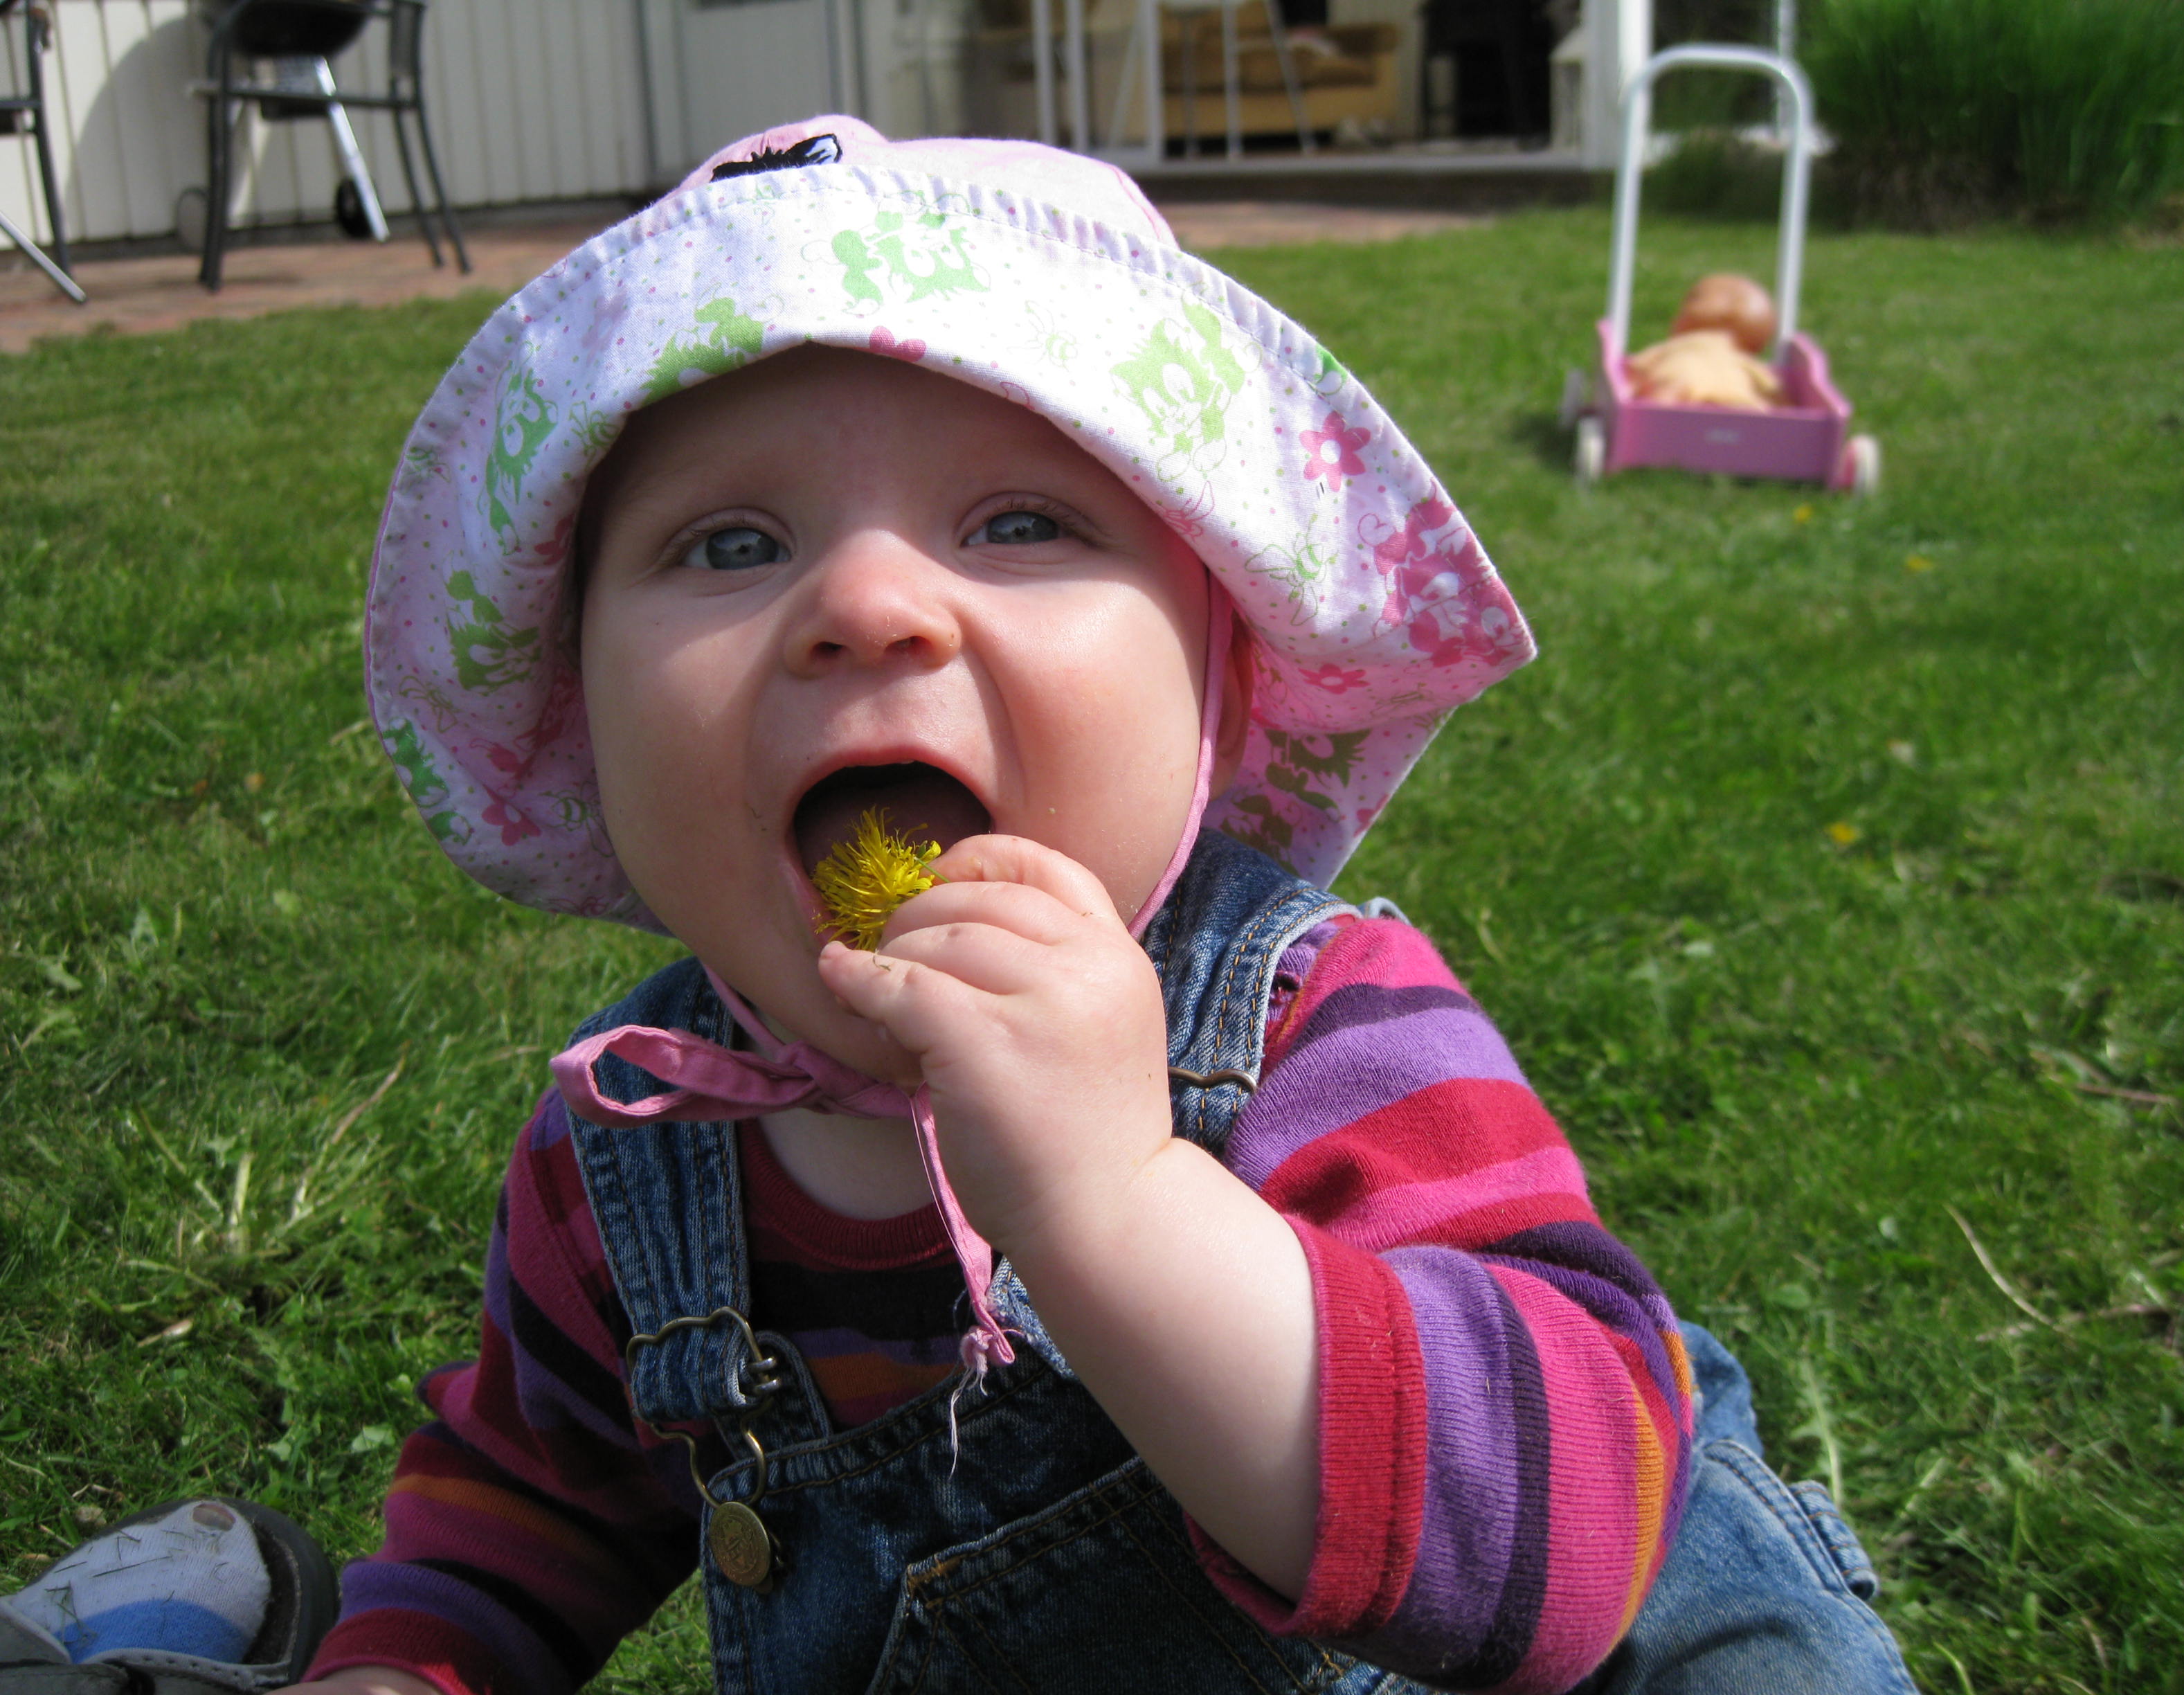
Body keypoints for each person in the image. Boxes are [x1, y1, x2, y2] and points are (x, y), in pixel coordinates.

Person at [0, 119, 1913, 1695]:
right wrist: (410, 1664)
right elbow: (533, 1502)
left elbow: (1562, 1554)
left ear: (1215, 681)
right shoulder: (626, 1144)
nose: (868, 607)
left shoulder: (1317, 1024)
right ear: (584, 723)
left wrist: (1116, 1205)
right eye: (729, 543)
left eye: (1020, 524)